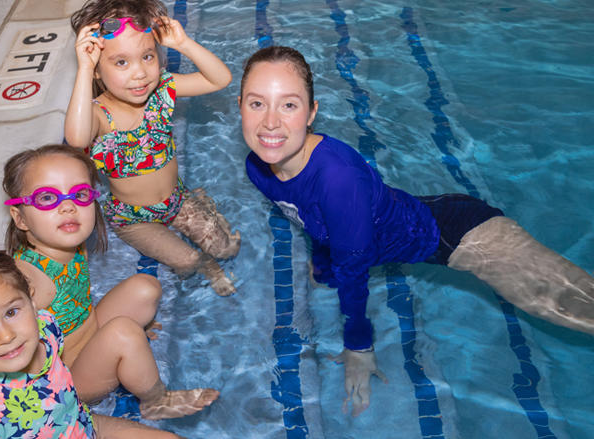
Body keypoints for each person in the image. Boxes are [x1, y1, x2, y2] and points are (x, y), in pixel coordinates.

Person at [238, 46, 594, 418]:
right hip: (423, 214)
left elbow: (354, 273)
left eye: (289, 105)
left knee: (577, 309)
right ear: (240, 106)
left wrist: (359, 348)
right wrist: (323, 259)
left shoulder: (339, 180)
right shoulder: (259, 166)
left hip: (464, 238)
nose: (270, 124)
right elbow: (313, 218)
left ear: (312, 112)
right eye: (257, 104)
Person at [0, 145, 218, 439]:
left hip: (85, 335)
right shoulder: (27, 279)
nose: (68, 207)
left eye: (80, 194)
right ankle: (155, 399)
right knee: (124, 332)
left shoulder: (64, 240)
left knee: (145, 288)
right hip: (65, 371)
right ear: (20, 217)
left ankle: (121, 345)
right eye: (46, 199)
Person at [0, 245, 185, 439]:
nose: (6, 335)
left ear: (31, 301)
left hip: (82, 424)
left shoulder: (44, 326)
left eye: (11, 312)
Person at [64, 0, 240, 296]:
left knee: (225, 248)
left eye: (147, 57)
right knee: (189, 261)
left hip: (176, 199)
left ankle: (198, 204)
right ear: (97, 70)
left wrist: (183, 43)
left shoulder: (163, 91)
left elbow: (220, 79)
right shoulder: (98, 115)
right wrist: (83, 68)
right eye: (121, 62)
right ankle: (208, 268)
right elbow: (78, 139)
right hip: (133, 218)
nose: (139, 73)